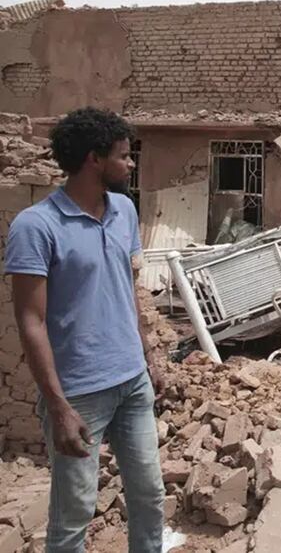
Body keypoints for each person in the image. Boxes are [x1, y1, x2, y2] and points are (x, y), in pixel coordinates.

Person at [5, 108, 164, 553]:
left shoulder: (125, 211)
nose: (131, 164)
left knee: (150, 497)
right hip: (78, 394)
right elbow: (30, 320)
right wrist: (57, 406)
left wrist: (148, 355)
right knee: (75, 514)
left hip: (132, 383)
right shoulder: (36, 227)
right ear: (94, 159)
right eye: (124, 156)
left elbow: (127, 289)